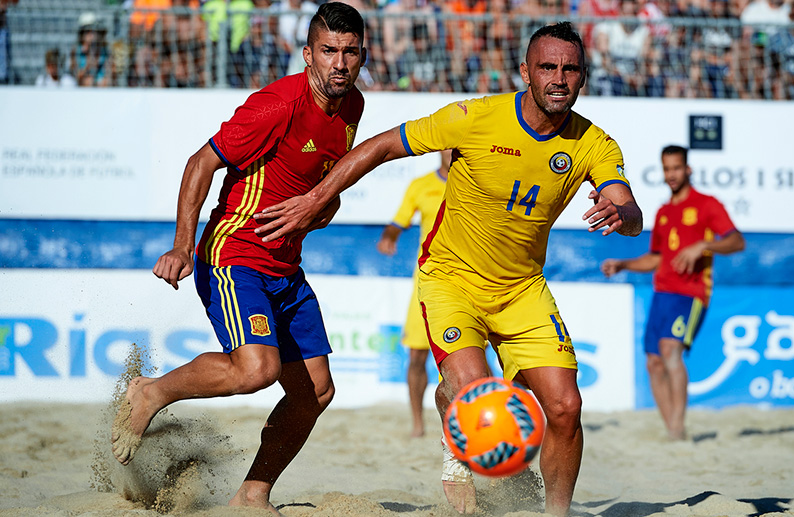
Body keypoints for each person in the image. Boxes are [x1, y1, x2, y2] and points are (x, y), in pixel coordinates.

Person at [249, 21, 643, 516]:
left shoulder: (595, 143)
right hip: (451, 280)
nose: (559, 79)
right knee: (477, 395)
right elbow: (382, 146)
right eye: (548, 67)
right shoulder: (475, 117)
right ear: (526, 72)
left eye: (570, 69)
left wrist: (624, 214)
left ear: (583, 76)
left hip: (522, 289)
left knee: (566, 408)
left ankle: (555, 513)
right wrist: (315, 199)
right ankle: (455, 438)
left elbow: (628, 209)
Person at [110, 3, 366, 513]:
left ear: (362, 55)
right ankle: (152, 392)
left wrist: (323, 207)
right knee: (256, 370)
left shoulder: (352, 105)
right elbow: (200, 162)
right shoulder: (277, 104)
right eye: (328, 51)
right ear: (308, 54)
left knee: (316, 392)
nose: (339, 63)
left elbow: (317, 184)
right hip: (235, 253)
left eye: (350, 52)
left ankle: (252, 493)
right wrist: (182, 245)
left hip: (284, 267)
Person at [601, 145, 745, 441]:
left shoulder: (707, 204)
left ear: (688, 169)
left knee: (669, 350)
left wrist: (703, 246)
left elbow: (737, 241)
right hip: (662, 293)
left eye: (677, 168)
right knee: (653, 362)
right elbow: (657, 259)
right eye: (667, 168)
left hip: (691, 293)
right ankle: (673, 433)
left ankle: (678, 428)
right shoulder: (664, 212)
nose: (671, 174)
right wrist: (624, 264)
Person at [376, 149, 450, 438]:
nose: (452, 151)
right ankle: (418, 424)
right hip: (427, 282)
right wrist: (388, 237)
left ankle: (474, 424)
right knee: (417, 356)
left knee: (470, 359)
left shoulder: (475, 183)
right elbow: (398, 222)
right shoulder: (421, 185)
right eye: (447, 146)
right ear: (439, 149)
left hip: (467, 281)